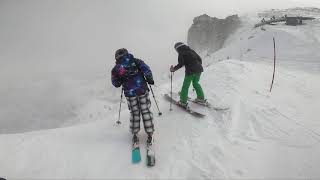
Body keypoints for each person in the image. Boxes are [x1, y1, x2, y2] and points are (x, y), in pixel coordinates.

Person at [111, 48, 155, 145]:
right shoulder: (136, 61)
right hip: (142, 90)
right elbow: (147, 70)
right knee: (145, 110)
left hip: (130, 93)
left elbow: (116, 83)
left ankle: (135, 135)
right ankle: (150, 134)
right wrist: (150, 80)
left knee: (135, 112)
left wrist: (121, 80)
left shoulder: (116, 68)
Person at [170, 42, 206, 107]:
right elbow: (200, 59)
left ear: (178, 48)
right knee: (196, 83)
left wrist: (173, 69)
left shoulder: (181, 53)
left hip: (190, 71)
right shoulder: (191, 51)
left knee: (185, 86)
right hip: (199, 70)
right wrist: (197, 66)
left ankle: (183, 101)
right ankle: (201, 98)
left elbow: (181, 64)